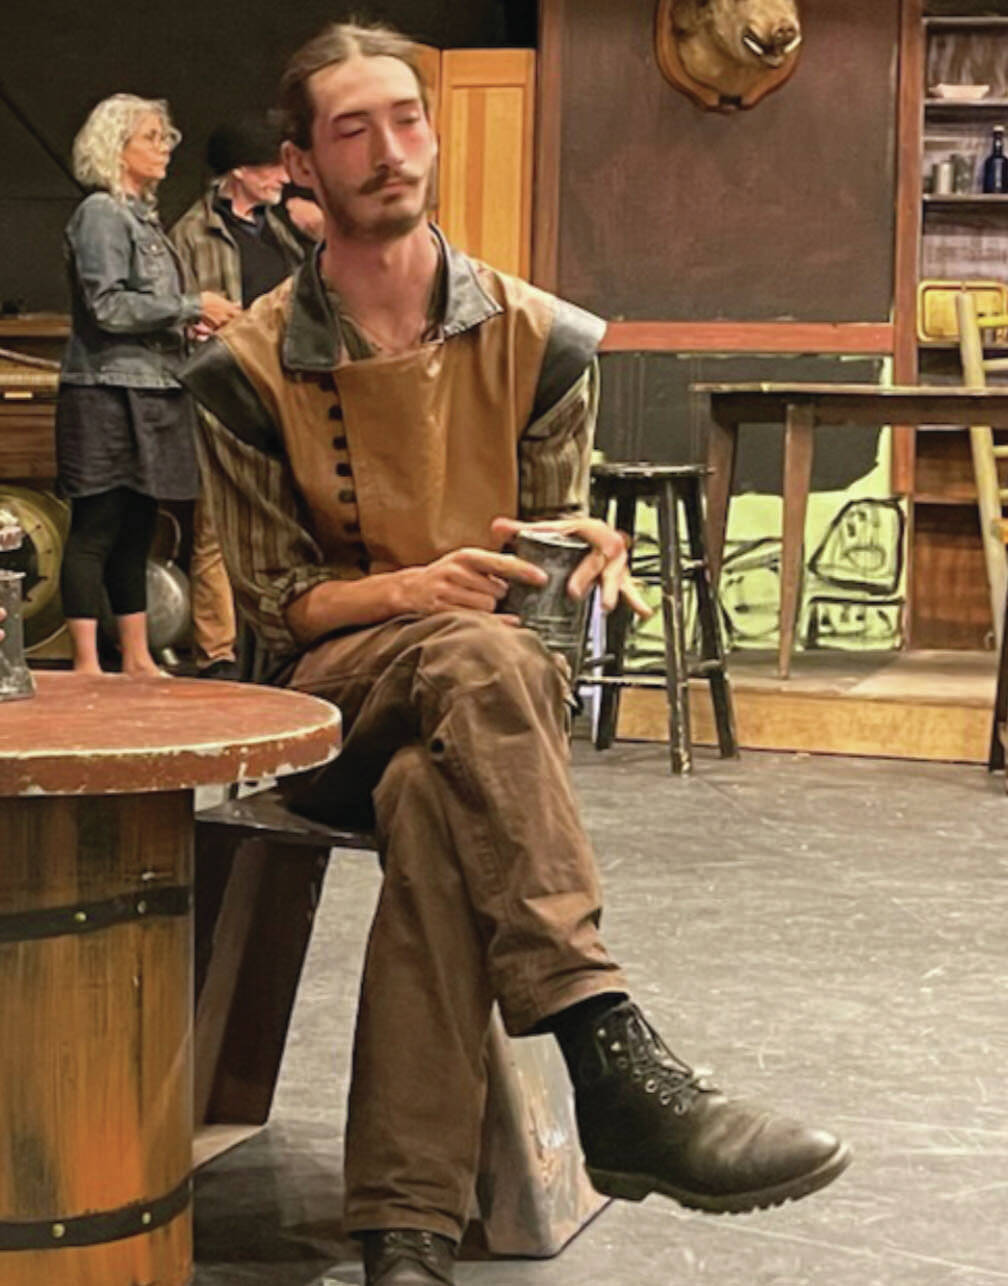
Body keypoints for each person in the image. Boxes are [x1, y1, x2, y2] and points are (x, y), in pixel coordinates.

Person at [178, 24, 849, 1286]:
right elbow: (274, 609)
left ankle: (407, 1238)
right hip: (331, 702)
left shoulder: (546, 340)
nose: (389, 150)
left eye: (405, 118)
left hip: (479, 714)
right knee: (471, 665)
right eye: (352, 129)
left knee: (445, 791)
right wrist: (420, 588)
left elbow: (536, 585)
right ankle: (611, 1051)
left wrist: (574, 560)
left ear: (433, 132)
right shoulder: (245, 364)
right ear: (303, 163)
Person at [56, 93, 240, 675]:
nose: (164, 148)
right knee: (97, 525)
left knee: (139, 528)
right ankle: (86, 661)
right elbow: (107, 307)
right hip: (107, 392)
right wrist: (190, 304)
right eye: (152, 137)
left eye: (167, 136)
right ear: (117, 148)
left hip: (155, 388)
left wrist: (192, 320)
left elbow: (146, 306)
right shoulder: (102, 214)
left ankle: (136, 656)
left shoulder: (143, 219)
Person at [170, 112, 313, 679]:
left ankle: (283, 636)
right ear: (237, 172)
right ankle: (218, 651)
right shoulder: (192, 231)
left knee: (295, 510)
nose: (282, 176)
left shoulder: (284, 226)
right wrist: (194, 323)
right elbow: (178, 304)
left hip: (287, 381)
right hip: (228, 384)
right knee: (216, 519)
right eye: (270, 168)